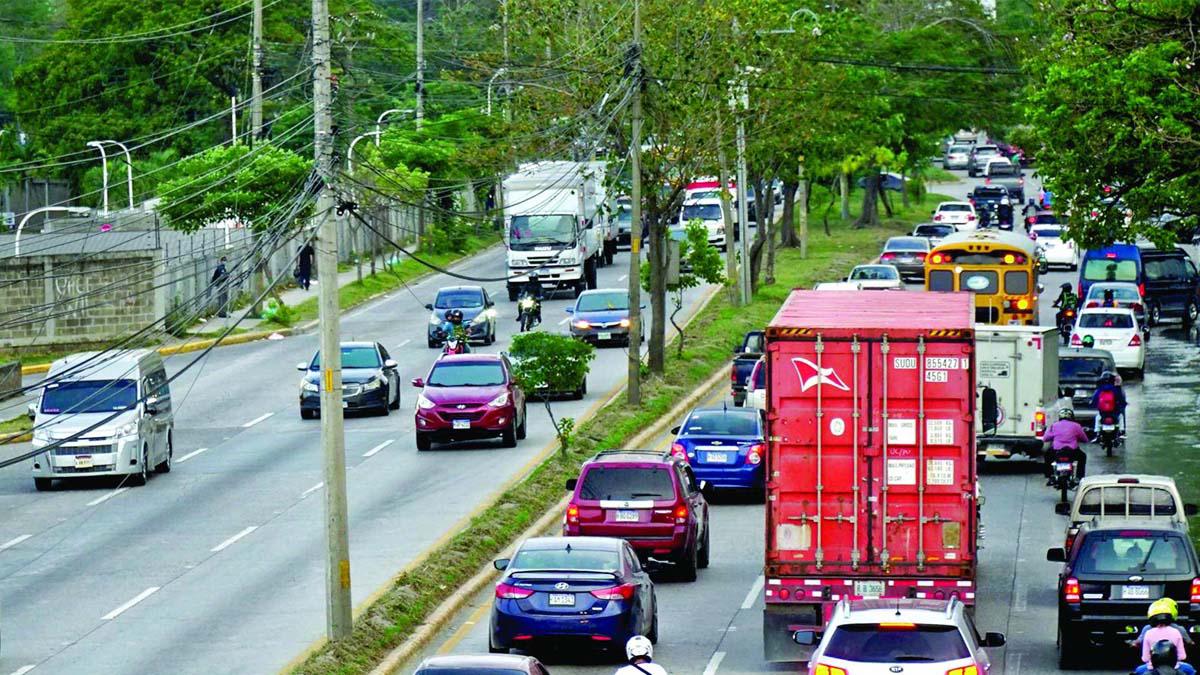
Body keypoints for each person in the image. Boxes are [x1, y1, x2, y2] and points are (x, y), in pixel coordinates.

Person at [1132, 599, 1196, 675]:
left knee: (1138, 670)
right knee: (1191, 670)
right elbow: (1182, 656)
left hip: (1151, 668)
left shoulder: (1148, 632)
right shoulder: (1176, 631)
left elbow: (1145, 658)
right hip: (1176, 667)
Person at [1042, 406, 1089, 482]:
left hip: (1057, 450)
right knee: (1083, 456)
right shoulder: (1076, 426)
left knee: (1047, 455)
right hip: (1072, 451)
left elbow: (1045, 438)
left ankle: (1050, 476)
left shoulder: (1054, 425)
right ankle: (1079, 477)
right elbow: (1085, 439)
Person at [1091, 370, 1127, 436]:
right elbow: (1121, 400)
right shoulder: (1116, 389)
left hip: (1103, 414)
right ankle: (1122, 432)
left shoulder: (1099, 389)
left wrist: (1093, 405)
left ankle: (1097, 432)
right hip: (1114, 414)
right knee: (1121, 417)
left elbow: (1094, 400)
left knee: (1097, 418)